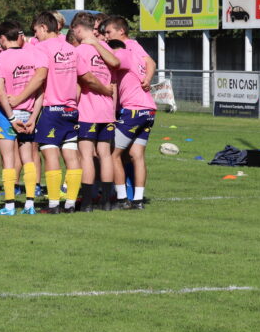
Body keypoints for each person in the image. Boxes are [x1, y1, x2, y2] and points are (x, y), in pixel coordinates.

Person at [12, 12, 112, 213]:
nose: (36, 35)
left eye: (36, 31)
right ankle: (70, 203)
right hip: (71, 110)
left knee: (50, 155)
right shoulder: (71, 49)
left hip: (52, 110)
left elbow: (40, 77)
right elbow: (87, 77)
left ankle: (54, 204)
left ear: (42, 28)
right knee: (71, 156)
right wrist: (106, 89)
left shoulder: (41, 49)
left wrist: (19, 98)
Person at [0, 20, 46, 216]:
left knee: (8, 160)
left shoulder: (0, 59)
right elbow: (40, 91)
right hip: (29, 114)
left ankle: (10, 205)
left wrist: (11, 118)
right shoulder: (33, 55)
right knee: (28, 159)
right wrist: (34, 116)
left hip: (7, 115)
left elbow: (1, 92)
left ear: (2, 39)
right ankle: (30, 204)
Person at [104, 17, 157, 209]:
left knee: (113, 153)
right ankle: (138, 200)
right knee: (136, 154)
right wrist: (147, 78)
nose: (106, 36)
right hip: (149, 109)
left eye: (108, 32)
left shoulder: (124, 51)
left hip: (133, 109)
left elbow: (115, 64)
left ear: (120, 32)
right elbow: (149, 61)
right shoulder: (134, 50)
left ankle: (121, 199)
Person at [70, 12, 121, 211]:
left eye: (74, 30)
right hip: (107, 110)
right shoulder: (106, 48)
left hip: (88, 110)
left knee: (86, 155)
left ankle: (88, 202)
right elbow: (115, 64)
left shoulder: (81, 51)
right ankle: (107, 201)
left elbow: (86, 80)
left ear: (79, 29)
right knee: (105, 154)